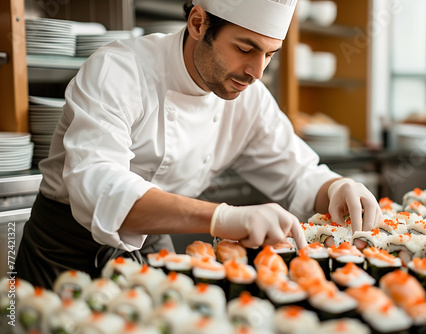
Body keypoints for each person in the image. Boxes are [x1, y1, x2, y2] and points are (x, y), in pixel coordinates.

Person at [17, 0, 382, 288]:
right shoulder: (119, 69)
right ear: (198, 23)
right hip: (63, 253)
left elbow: (299, 174)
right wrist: (222, 217)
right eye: (245, 48)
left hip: (152, 250)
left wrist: (336, 187)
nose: (257, 72)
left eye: (270, 54)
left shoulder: (249, 98)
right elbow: (100, 188)